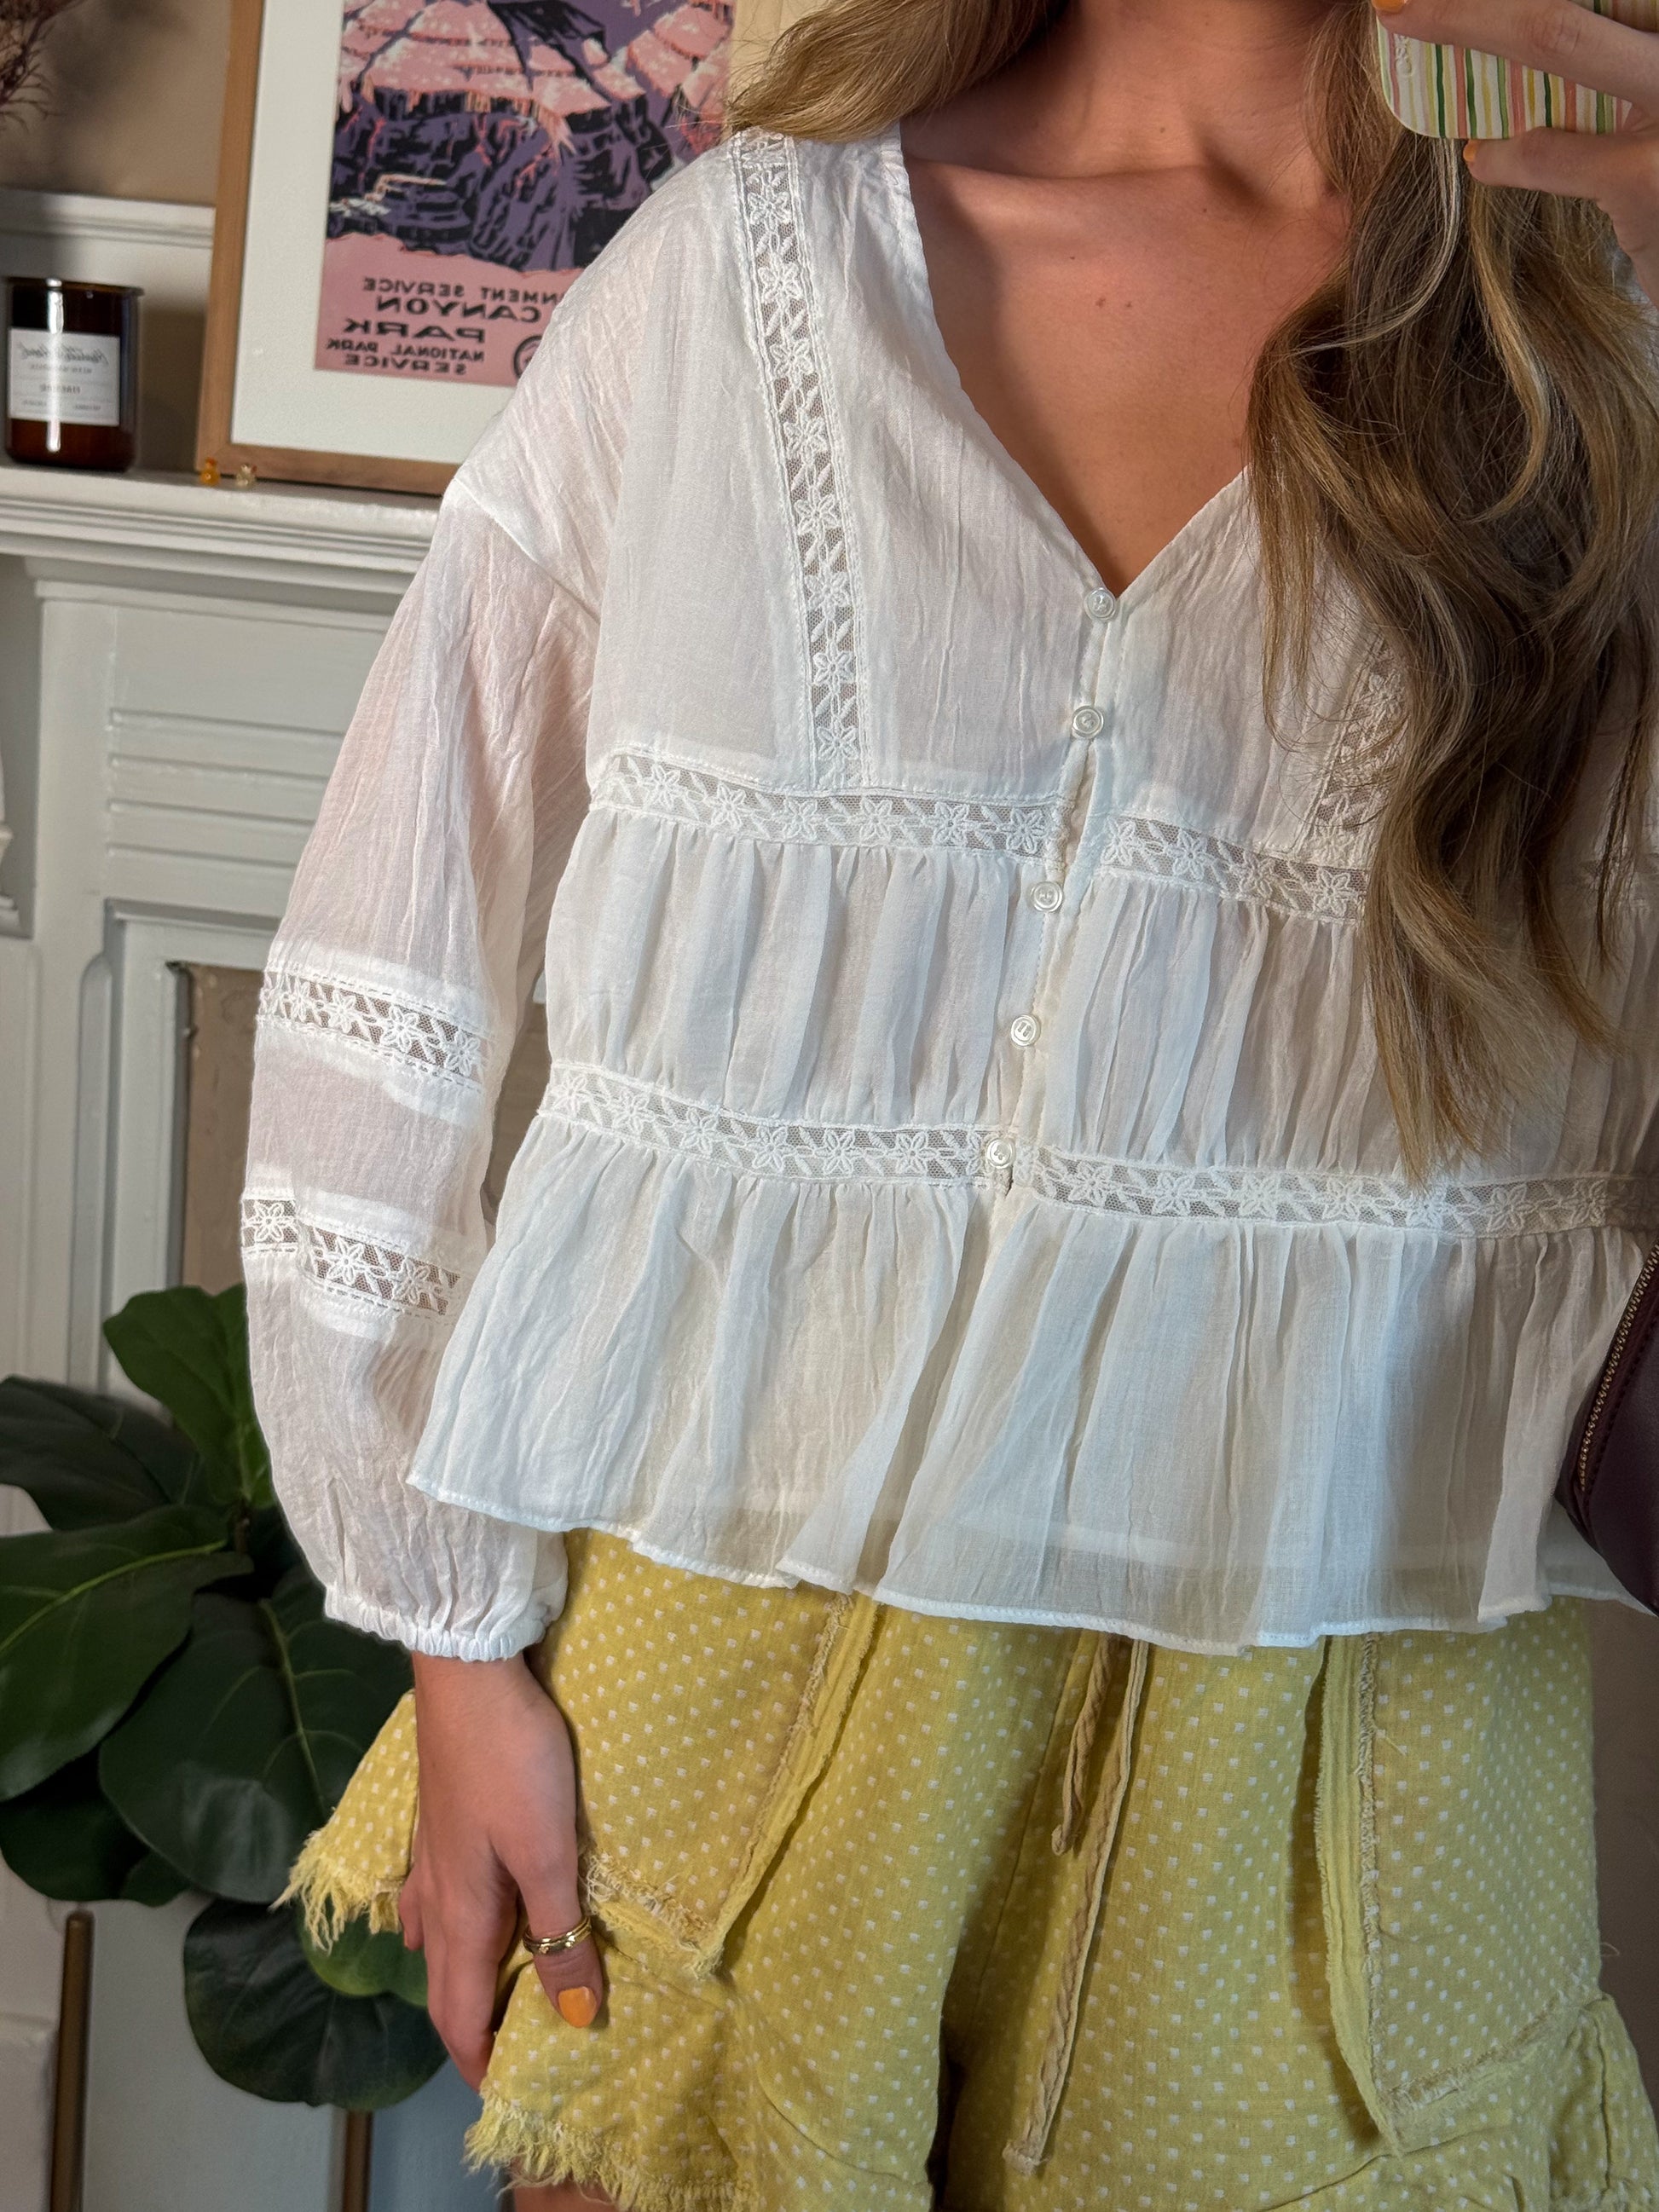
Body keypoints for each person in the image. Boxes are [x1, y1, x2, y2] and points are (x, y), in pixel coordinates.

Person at [248, 0, 1659, 2204]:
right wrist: (452, 1641)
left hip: (1349, 1707)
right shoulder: (731, 280)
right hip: (726, 1643)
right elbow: (394, 934)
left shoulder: (1605, 331)